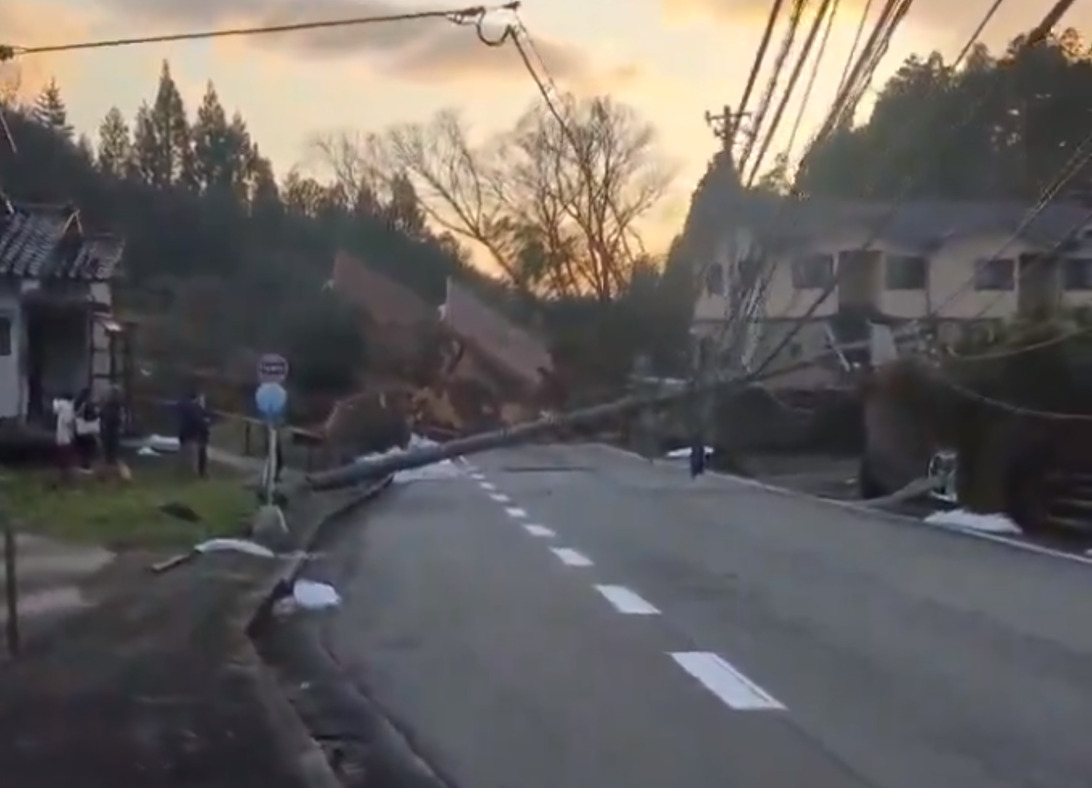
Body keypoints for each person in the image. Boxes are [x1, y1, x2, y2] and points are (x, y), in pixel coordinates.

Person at [72, 387, 100, 471]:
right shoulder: (87, 404)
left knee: (83, 448)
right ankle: (85, 465)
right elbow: (89, 416)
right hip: (86, 429)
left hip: (79, 429)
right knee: (89, 447)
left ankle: (83, 464)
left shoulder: (77, 403)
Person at [100, 385, 124, 474]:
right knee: (110, 452)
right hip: (110, 430)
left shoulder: (111, 406)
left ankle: (111, 470)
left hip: (110, 430)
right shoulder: (113, 406)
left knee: (110, 452)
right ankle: (109, 471)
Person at [52, 392, 76, 483]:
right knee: (66, 452)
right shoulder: (68, 406)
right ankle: (66, 472)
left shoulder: (61, 405)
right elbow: (69, 421)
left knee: (61, 451)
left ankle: (63, 471)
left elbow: (55, 408)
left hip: (61, 432)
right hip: (66, 434)